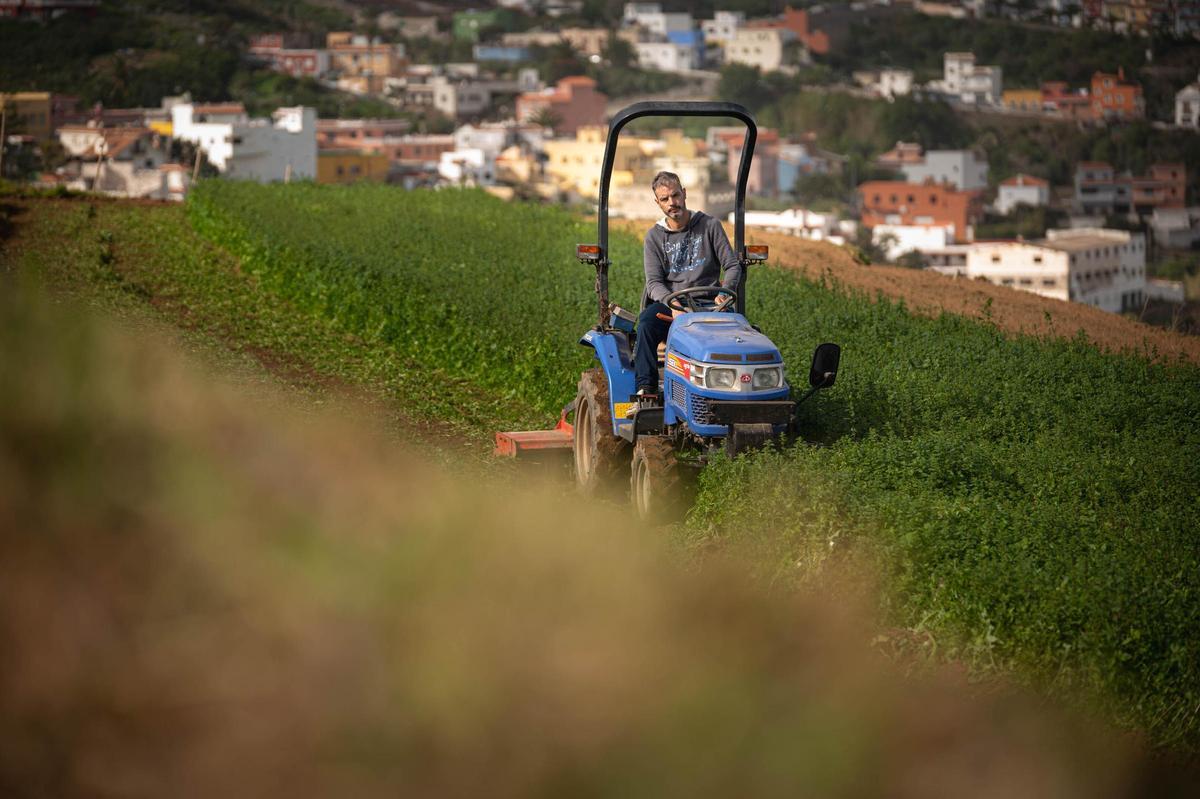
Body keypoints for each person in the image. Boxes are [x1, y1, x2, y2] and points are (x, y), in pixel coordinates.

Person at [633, 171, 743, 397]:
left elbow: (732, 265)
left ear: (684, 194)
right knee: (645, 323)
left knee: (740, 334)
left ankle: (739, 386)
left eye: (675, 195)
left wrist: (726, 292)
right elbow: (654, 283)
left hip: (711, 303)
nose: (672, 203)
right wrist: (673, 305)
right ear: (658, 203)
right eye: (665, 199)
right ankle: (647, 389)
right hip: (673, 304)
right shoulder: (654, 236)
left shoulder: (709, 225)